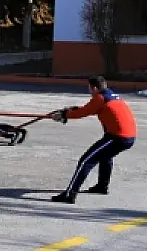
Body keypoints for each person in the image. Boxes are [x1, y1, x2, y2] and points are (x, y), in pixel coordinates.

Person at [50, 76, 137, 204]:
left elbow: (83, 112)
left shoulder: (100, 99)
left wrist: (64, 115)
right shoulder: (111, 95)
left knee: (85, 161)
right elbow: (88, 108)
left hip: (118, 137)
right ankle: (102, 186)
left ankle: (70, 195)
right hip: (128, 136)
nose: (89, 91)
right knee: (105, 156)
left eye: (89, 88)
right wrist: (68, 111)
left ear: (95, 88)